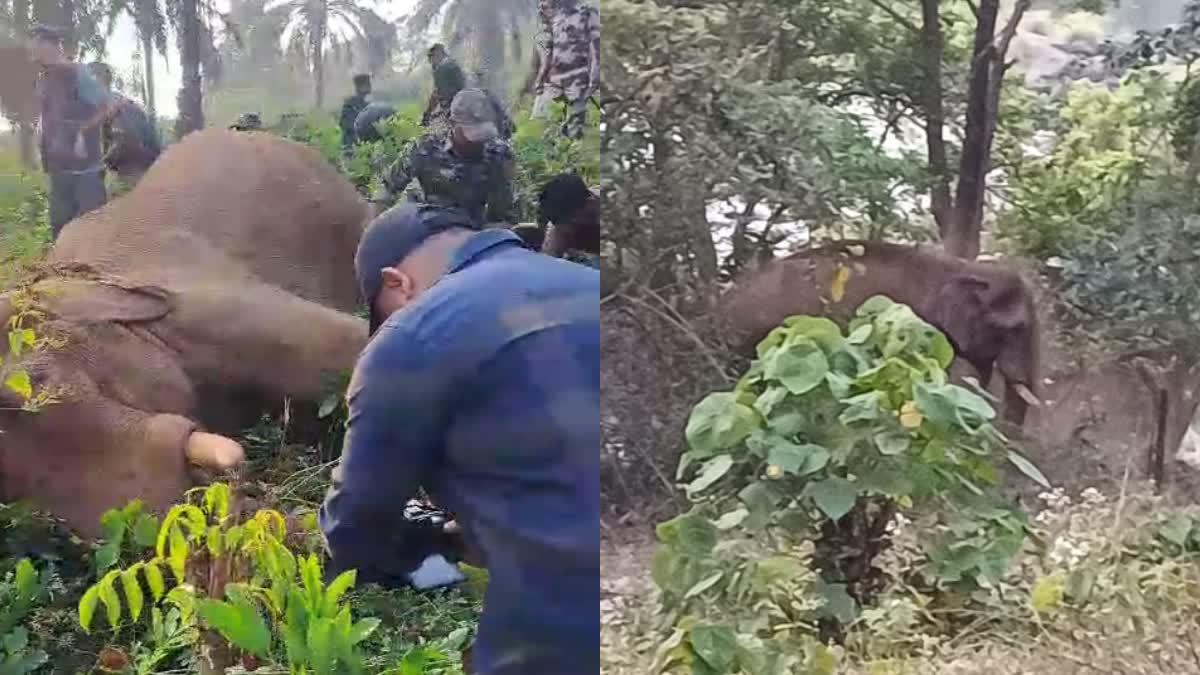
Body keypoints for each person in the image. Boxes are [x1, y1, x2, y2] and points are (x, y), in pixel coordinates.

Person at [319, 202, 599, 675]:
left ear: (396, 283)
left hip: (560, 622)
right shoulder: (589, 282)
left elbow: (356, 522)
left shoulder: (412, 333)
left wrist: (398, 548)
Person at [375, 88, 515, 227]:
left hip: (473, 234)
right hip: (428, 228)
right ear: (452, 124)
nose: (477, 142)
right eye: (470, 133)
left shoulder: (498, 153)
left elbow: (504, 214)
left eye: (482, 133)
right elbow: (387, 189)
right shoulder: (426, 148)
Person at [30, 24, 115, 238]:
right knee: (60, 226)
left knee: (91, 226)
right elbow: (48, 115)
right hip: (58, 167)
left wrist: (82, 133)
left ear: (53, 47)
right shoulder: (45, 79)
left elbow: (106, 106)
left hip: (85, 169)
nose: (34, 52)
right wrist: (40, 134)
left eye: (38, 46)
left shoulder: (78, 73)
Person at [87, 62, 160, 192]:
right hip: (147, 169)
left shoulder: (114, 105)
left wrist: (102, 165)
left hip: (134, 173)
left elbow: (123, 140)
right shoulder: (122, 102)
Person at [532, 0, 600, 140]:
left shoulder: (588, 13)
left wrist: (594, 77)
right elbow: (549, 52)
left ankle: (571, 155)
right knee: (541, 123)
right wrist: (540, 78)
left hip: (578, 79)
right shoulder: (556, 14)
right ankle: (551, 156)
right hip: (554, 79)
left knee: (574, 131)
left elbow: (596, 47)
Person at [538, 172, 600, 268]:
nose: (567, 229)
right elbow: (547, 262)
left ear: (589, 203)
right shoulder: (560, 226)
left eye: (571, 223)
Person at [420, 43, 465, 128]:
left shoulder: (441, 69)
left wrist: (427, 115)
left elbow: (437, 93)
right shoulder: (454, 64)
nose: (430, 62)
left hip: (453, 107)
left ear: (437, 55)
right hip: (463, 104)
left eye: (431, 58)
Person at [339, 73, 371, 153]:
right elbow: (345, 124)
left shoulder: (366, 105)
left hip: (363, 148)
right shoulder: (350, 104)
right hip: (351, 147)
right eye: (367, 84)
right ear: (359, 87)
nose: (370, 86)